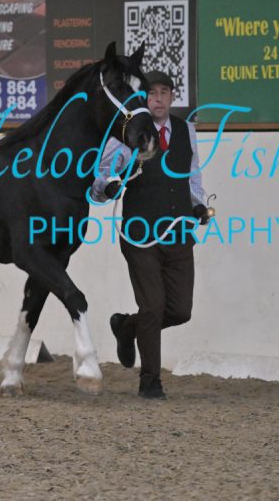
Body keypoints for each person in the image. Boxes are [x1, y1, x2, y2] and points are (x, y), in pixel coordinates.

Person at [90, 70, 210, 399]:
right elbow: (100, 179)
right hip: (140, 235)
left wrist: (198, 205)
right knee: (153, 307)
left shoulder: (185, 131)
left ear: (172, 97)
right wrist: (109, 186)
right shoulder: (127, 133)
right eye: (152, 93)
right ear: (144, 99)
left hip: (178, 232)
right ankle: (150, 381)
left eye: (164, 92)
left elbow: (192, 175)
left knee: (180, 310)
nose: (158, 99)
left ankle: (126, 327)